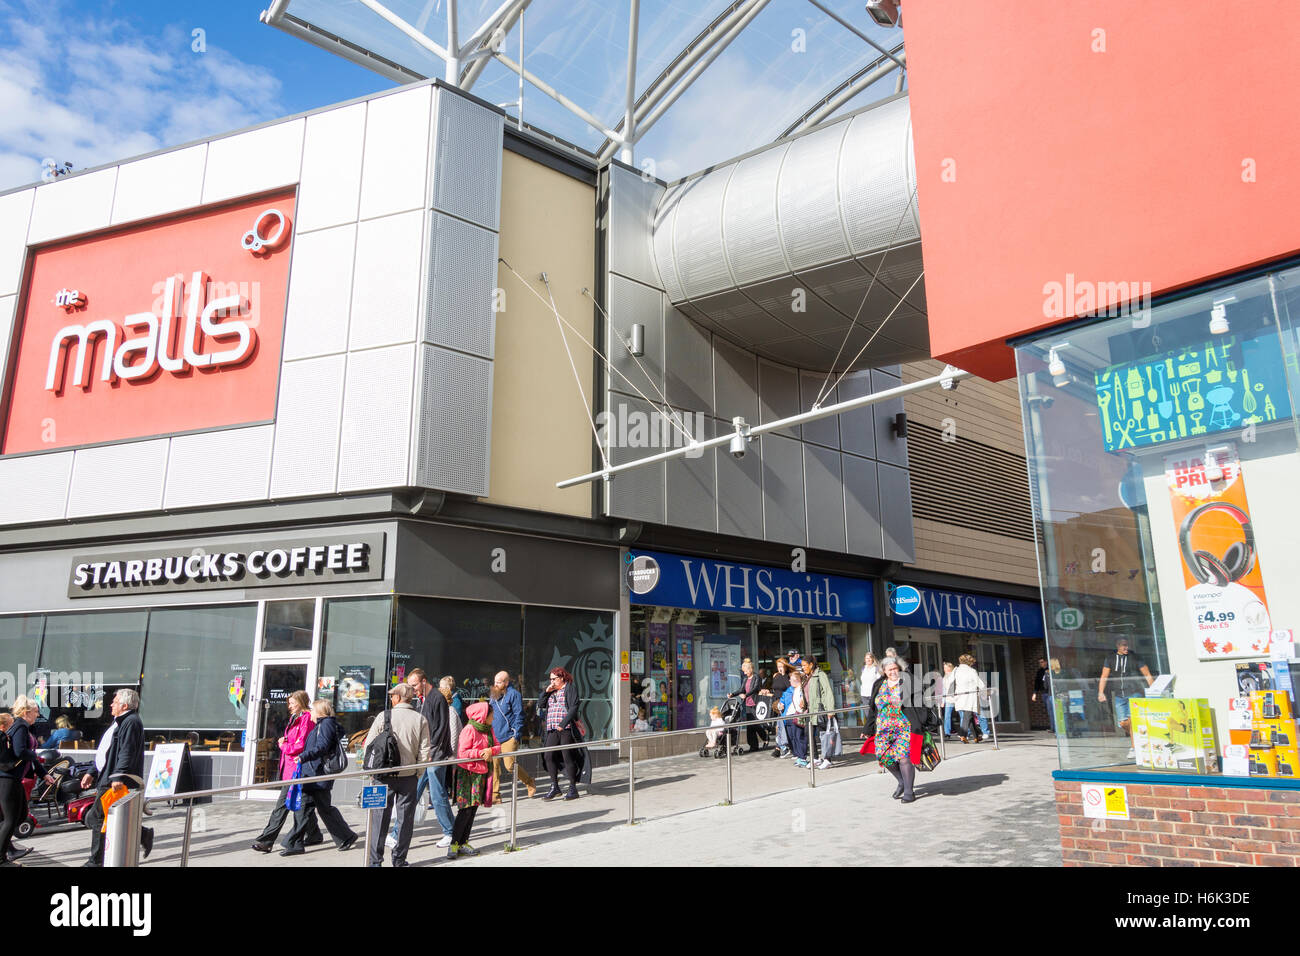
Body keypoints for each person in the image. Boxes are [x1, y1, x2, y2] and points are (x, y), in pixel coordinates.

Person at [80, 689, 154, 866]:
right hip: (107, 776)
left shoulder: (130, 722)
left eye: (114, 701)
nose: (111, 704)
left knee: (96, 818)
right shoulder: (120, 722)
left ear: (125, 705)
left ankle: (95, 861)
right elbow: (106, 751)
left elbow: (126, 751)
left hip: (114, 780)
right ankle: (143, 834)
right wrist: (92, 771)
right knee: (106, 818)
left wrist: (118, 776)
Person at [363, 682, 431, 867]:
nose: (391, 698)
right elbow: (425, 751)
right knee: (405, 820)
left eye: (393, 695)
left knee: (379, 819)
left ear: (399, 697)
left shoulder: (383, 716)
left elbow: (369, 745)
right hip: (408, 777)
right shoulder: (420, 719)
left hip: (383, 776)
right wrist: (417, 772)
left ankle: (375, 862)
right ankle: (399, 859)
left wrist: (370, 772)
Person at [282, 699, 358, 855]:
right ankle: (342, 837)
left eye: (313, 710)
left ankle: (344, 837)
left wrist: (304, 757)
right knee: (310, 809)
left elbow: (322, 747)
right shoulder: (323, 725)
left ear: (319, 712)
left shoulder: (326, 725)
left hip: (317, 775)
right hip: (313, 774)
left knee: (318, 809)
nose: (310, 712)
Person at [251, 690, 323, 852]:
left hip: (297, 768)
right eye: (289, 703)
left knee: (282, 805)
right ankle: (314, 834)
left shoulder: (307, 720)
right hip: (289, 766)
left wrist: (283, 745)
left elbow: (301, 745)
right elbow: (294, 740)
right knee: (303, 805)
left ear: (301, 702)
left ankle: (267, 841)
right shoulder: (294, 719)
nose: (289, 706)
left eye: (292, 703)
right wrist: (286, 741)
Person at [864, 656, 937, 803]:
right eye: (889, 669)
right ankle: (901, 781)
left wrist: (921, 722)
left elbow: (920, 702)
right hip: (884, 728)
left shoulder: (909, 680)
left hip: (904, 726)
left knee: (904, 757)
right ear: (883, 671)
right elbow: (873, 708)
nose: (893, 672)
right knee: (884, 757)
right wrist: (868, 728)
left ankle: (909, 792)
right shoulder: (879, 684)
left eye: (895, 668)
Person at [2, 697, 54, 866]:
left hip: (14, 777)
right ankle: (2, 856)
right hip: (7, 778)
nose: (38, 714)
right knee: (11, 818)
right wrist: (36, 755)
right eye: (36, 711)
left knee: (18, 815)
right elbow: (20, 752)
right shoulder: (21, 726)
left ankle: (7, 849)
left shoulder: (23, 727)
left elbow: (27, 756)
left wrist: (43, 773)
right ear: (26, 712)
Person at [448, 701, 502, 859]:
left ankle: (464, 842)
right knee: (465, 810)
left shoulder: (489, 729)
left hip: (481, 774)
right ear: (483, 715)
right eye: (491, 714)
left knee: (473, 810)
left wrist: (490, 750)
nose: (493, 717)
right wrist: (480, 753)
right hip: (467, 774)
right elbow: (462, 753)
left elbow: (498, 746)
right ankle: (454, 844)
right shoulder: (469, 729)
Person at [489, 671, 537, 800]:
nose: (495, 684)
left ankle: (529, 781)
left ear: (506, 682)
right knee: (494, 766)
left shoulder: (514, 694)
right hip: (494, 735)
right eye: (495, 682)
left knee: (509, 765)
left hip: (509, 735)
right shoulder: (494, 694)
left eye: (499, 682)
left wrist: (516, 734)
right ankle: (495, 796)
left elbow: (519, 715)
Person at [1098, 638, 1154, 744]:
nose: (1126, 648)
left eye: (1127, 645)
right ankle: (1141, 737)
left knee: (1132, 720)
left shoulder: (1135, 657)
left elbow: (1147, 674)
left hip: (1135, 693)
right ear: (1118, 646)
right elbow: (1104, 676)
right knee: (1123, 723)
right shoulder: (1110, 658)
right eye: (1124, 645)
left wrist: (1154, 691)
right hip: (1119, 695)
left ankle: (1134, 746)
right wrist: (1101, 692)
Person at [538, 667, 581, 801]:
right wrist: (546, 692)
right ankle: (555, 786)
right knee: (548, 755)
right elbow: (540, 704)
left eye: (554, 679)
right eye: (550, 679)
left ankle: (573, 787)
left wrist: (563, 724)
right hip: (552, 728)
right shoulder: (551, 691)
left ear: (561, 678)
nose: (552, 682)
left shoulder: (569, 688)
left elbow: (574, 707)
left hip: (565, 728)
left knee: (567, 756)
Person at [802, 656, 835, 770]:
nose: (803, 668)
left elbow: (828, 692)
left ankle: (827, 759)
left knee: (824, 735)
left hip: (821, 709)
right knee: (808, 733)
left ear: (811, 665)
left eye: (804, 665)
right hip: (810, 710)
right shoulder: (806, 677)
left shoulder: (820, 675)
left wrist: (830, 710)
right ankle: (815, 758)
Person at [730, 658, 768, 753]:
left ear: (750, 669)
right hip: (747, 704)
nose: (745, 673)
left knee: (755, 724)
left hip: (755, 703)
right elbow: (741, 689)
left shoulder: (756, 677)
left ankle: (765, 737)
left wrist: (746, 695)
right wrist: (733, 694)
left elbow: (755, 689)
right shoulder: (745, 679)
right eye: (744, 672)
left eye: (746, 671)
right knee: (749, 726)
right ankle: (753, 745)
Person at [952, 654, 987, 744]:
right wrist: (985, 689)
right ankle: (962, 734)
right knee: (967, 716)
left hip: (959, 696)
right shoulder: (971, 671)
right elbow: (979, 683)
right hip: (970, 697)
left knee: (969, 716)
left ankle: (977, 736)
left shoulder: (956, 670)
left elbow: (950, 681)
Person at [768, 657, 793, 757]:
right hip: (776, 703)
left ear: (785, 667)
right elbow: (775, 689)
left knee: (782, 725)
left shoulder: (788, 676)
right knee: (778, 726)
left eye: (781, 667)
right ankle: (779, 746)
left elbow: (789, 688)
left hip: (785, 703)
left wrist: (783, 675)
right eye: (778, 667)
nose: (780, 669)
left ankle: (782, 747)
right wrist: (768, 693)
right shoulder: (776, 676)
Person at [786, 670, 810, 767]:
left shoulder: (800, 689)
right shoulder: (796, 689)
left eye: (791, 679)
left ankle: (803, 757)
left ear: (796, 680)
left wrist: (802, 704)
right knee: (796, 736)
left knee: (800, 737)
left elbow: (802, 701)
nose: (789, 681)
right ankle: (800, 756)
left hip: (801, 714)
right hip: (797, 714)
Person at [859, 653, 881, 733]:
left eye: (869, 658)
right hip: (864, 694)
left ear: (872, 659)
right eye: (866, 658)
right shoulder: (863, 668)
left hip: (873, 694)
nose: (868, 660)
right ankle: (871, 732)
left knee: (874, 714)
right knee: (867, 714)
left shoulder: (876, 668)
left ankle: (876, 731)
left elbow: (879, 681)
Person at [1032, 657, 1054, 731]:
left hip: (1051, 692)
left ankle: (1054, 727)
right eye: (1039, 662)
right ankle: (1053, 727)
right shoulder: (1040, 672)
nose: (1040, 664)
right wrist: (1035, 693)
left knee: (1052, 710)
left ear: (1046, 662)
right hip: (1044, 693)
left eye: (1042, 662)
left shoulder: (1050, 670)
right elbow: (1037, 683)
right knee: (1049, 710)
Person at [941, 662, 958, 738]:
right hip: (948, 699)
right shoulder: (944, 678)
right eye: (944, 667)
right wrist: (943, 701)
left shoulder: (955, 675)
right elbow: (944, 690)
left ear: (949, 668)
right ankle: (947, 732)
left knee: (962, 715)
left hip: (957, 698)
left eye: (945, 667)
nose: (944, 669)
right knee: (947, 716)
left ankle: (966, 732)